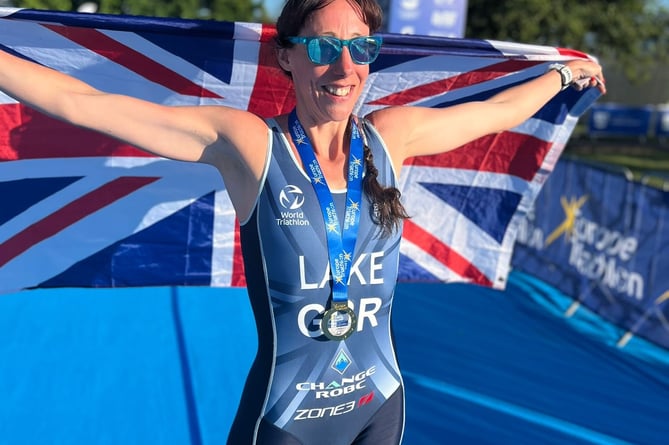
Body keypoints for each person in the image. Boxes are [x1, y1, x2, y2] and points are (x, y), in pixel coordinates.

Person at [0, 0, 605, 443]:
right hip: (288, 419)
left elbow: (494, 112)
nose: (343, 67)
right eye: (321, 47)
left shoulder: (393, 137)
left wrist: (561, 74)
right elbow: (85, 103)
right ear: (286, 57)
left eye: (360, 48)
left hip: (380, 404)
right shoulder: (249, 145)